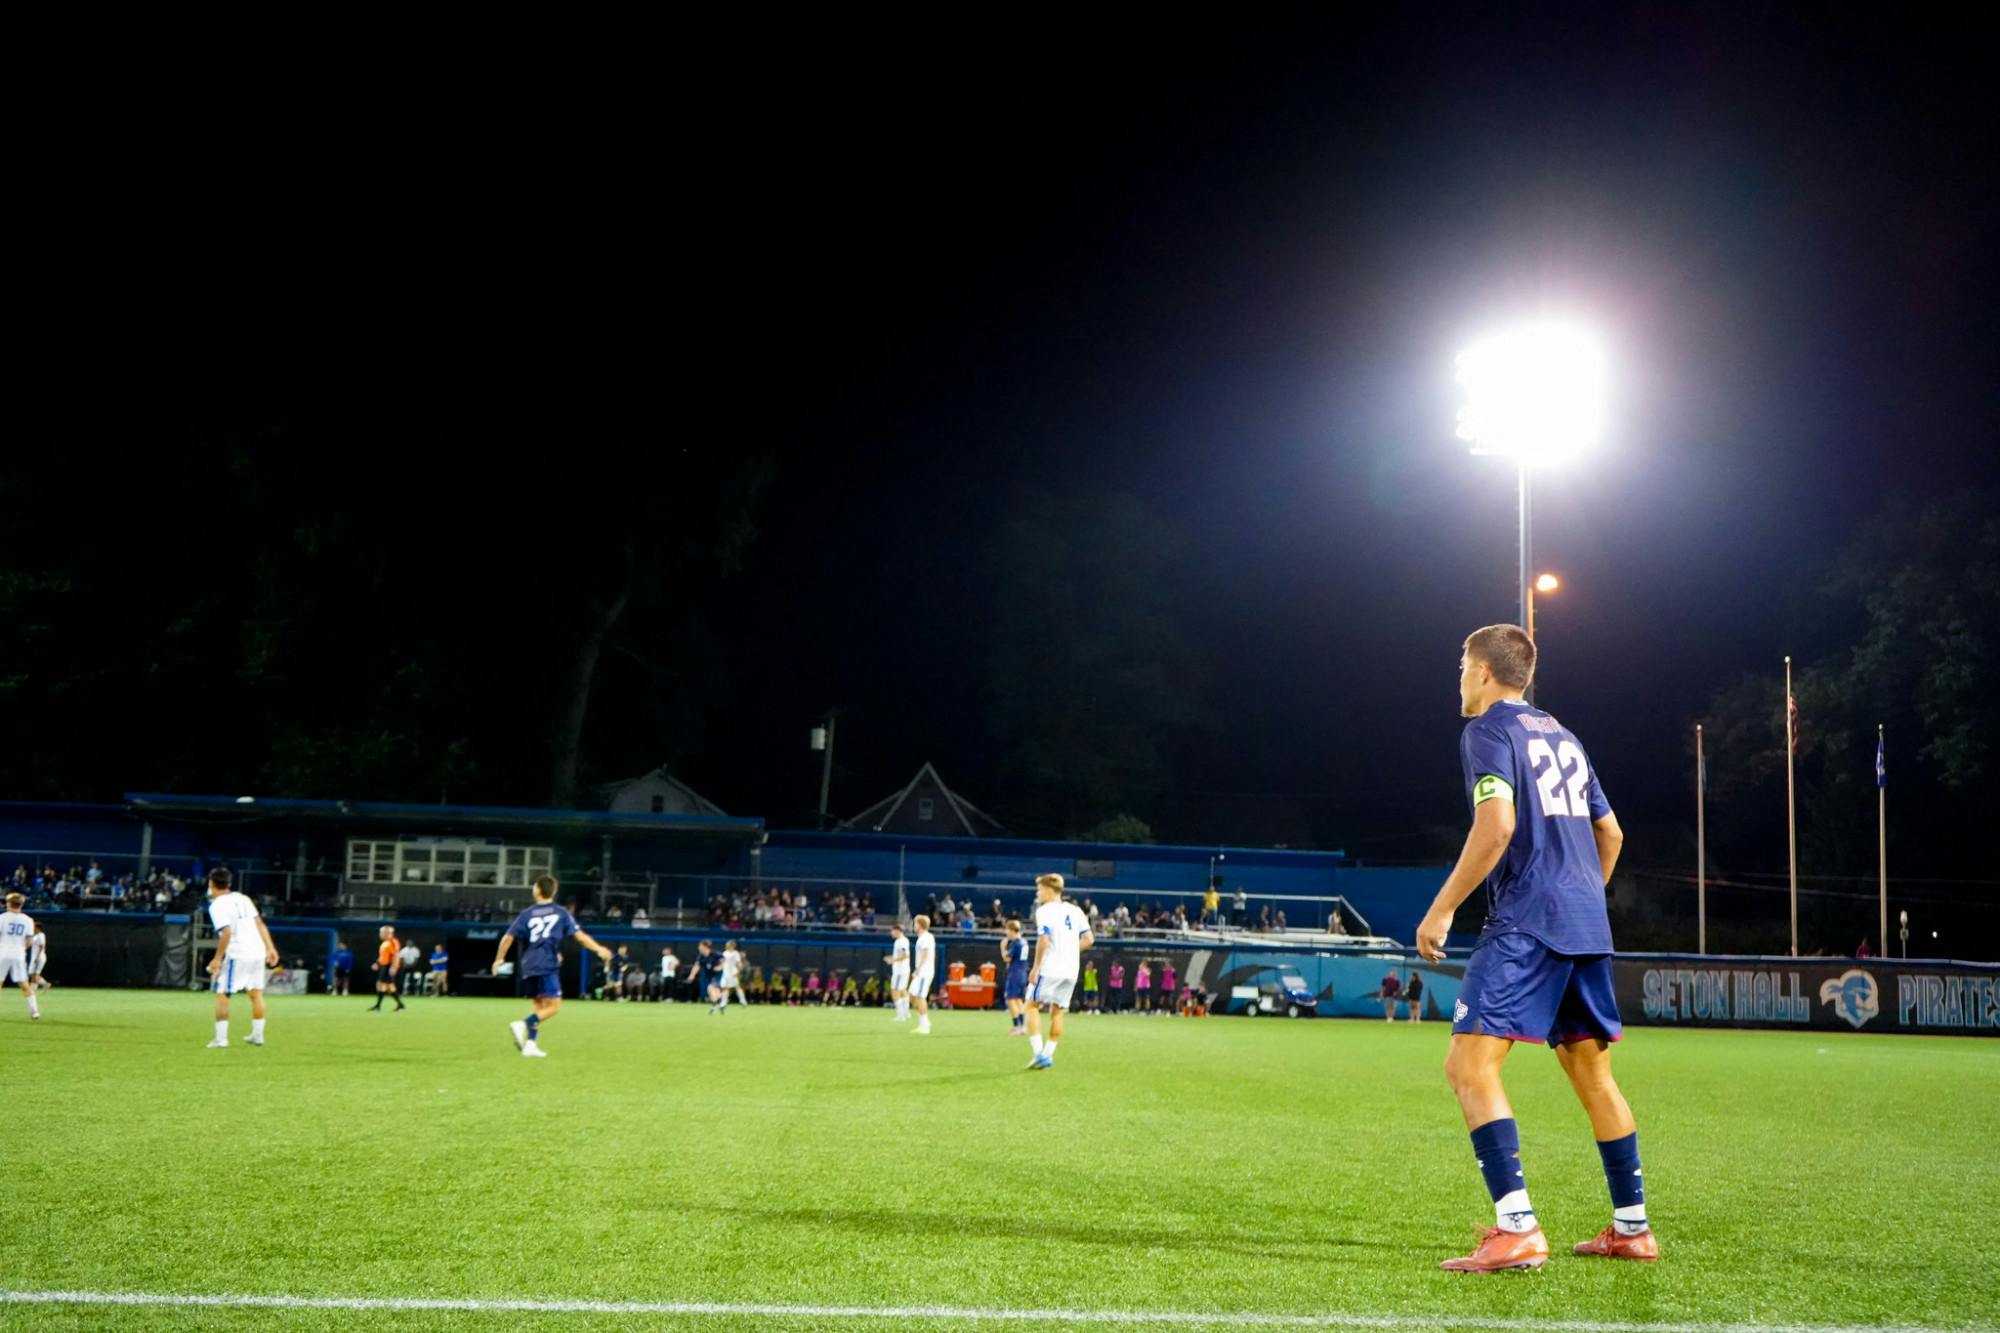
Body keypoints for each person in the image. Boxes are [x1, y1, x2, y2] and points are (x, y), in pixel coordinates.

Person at [1417, 623, 1654, 1272]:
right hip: (1585, 926)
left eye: (1462, 667)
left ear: (1485, 672)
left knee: (1469, 1066)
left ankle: (1516, 1227)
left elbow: (1497, 826)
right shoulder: (1565, 737)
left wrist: (1442, 908)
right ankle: (1632, 1228)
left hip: (1527, 921)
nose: (1459, 679)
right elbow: (1611, 833)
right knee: (1594, 1077)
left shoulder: (1487, 731)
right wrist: (1580, 898)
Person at [492, 875, 612, 1058]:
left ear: (537, 890)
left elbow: (508, 937)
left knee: (540, 1006)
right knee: (554, 1007)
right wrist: (599, 948)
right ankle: (523, 1024)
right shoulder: (560, 912)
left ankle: (530, 1044)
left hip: (529, 963)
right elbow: (579, 936)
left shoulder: (527, 914)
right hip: (546, 962)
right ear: (553, 891)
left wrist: (499, 959)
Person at [1023, 873, 1093, 1070]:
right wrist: (1070, 952)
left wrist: (1036, 967)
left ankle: (1038, 1053)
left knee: (1031, 1005)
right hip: (1071, 969)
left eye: (1039, 890)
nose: (1038, 894)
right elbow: (1089, 939)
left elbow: (1043, 939)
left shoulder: (1045, 911)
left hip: (1050, 967)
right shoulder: (1075, 910)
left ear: (1049, 890)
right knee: (1058, 1011)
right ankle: (1048, 1054)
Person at [205, 869, 278, 1047]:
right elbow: (259, 923)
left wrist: (217, 959)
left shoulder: (216, 905)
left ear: (211, 884)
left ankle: (221, 1039)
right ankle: (257, 1036)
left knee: (223, 994)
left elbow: (226, 932)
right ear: (229, 883)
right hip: (257, 951)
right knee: (256, 993)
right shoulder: (243, 898)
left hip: (238, 953)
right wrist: (270, 948)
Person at [1, 893, 41, 1020]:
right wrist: (21, 948)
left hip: (3, 952)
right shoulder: (28, 920)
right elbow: (29, 941)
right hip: (18, 954)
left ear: (8, 903)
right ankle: (34, 1011)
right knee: (24, 983)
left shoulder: (2, 918)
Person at [1000, 919, 1030, 1036]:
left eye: (1007, 930)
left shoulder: (1016, 943)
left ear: (1012, 930)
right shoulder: (1024, 942)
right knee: (1018, 1000)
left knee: (1010, 999)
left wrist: (1003, 948)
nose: (1006, 932)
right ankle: (1023, 1027)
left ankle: (1017, 1026)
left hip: (1015, 974)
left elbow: (1007, 958)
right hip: (1023, 973)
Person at [909, 914, 937, 1035]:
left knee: (920, 997)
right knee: (912, 995)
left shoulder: (925, 938)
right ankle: (925, 1020)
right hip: (923, 972)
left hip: (924, 972)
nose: (914, 925)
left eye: (915, 923)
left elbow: (926, 954)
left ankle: (924, 1026)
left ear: (920, 925)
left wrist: (918, 969)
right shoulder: (926, 937)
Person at [371, 926, 405, 1011]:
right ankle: (400, 1004)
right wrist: (377, 963)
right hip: (385, 966)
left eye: (382, 932)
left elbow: (396, 955)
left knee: (381, 984)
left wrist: (393, 967)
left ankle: (378, 1006)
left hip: (389, 966)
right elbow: (382, 956)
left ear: (387, 933)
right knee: (389, 987)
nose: (380, 934)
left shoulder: (393, 942)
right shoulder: (385, 943)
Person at [885, 924, 912, 1022]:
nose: (891, 933)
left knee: (895, 991)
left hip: (900, 971)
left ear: (898, 930)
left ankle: (900, 1015)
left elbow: (905, 955)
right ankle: (906, 1013)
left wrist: (892, 960)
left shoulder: (902, 941)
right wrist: (893, 958)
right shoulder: (899, 941)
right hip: (902, 970)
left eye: (892, 930)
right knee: (903, 990)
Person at [27, 923, 48, 992]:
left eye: (34, 927)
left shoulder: (41, 935)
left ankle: (32, 991)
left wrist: (37, 957)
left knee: (35, 974)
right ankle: (45, 984)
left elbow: (41, 946)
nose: (33, 929)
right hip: (34, 957)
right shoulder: (35, 936)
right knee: (31, 974)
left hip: (39, 957)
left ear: (38, 928)